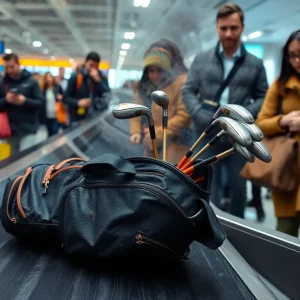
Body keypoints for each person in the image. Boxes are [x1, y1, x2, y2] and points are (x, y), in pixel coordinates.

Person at [182, 3, 268, 218]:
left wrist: (242, 117)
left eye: (233, 28)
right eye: (223, 28)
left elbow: (263, 96)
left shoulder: (255, 64)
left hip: (239, 136)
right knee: (206, 186)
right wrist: (202, 116)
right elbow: (188, 91)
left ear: (242, 27)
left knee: (239, 187)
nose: (228, 33)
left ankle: (237, 232)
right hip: (206, 130)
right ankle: (208, 230)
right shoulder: (201, 59)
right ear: (217, 28)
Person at [256, 29, 300, 237]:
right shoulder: (280, 86)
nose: (297, 60)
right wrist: (284, 121)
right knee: (286, 233)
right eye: (292, 55)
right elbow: (261, 123)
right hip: (287, 168)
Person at [130, 39, 191, 163]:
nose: (155, 75)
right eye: (151, 71)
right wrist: (136, 131)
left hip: (174, 147)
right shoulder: (144, 86)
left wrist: (155, 133)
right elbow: (136, 109)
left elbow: (184, 117)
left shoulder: (181, 83)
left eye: (159, 70)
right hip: (151, 147)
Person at [0, 53, 44, 155]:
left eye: (12, 67)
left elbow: (41, 103)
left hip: (28, 128)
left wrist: (24, 101)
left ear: (18, 64)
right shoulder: (3, 83)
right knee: (11, 162)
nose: (9, 70)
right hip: (9, 130)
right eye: (6, 67)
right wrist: (6, 100)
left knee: (26, 159)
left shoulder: (31, 81)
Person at [64, 52, 110, 125]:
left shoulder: (102, 78)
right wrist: (78, 102)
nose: (93, 68)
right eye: (91, 65)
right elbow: (65, 98)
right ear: (85, 62)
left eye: (96, 66)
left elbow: (107, 94)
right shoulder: (76, 77)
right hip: (78, 118)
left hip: (96, 117)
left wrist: (98, 81)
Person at [40, 72, 66, 137]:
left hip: (57, 114)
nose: (49, 79)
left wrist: (61, 97)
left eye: (50, 77)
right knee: (49, 132)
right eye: (47, 78)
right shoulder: (44, 90)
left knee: (55, 132)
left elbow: (64, 97)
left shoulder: (58, 87)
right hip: (47, 114)